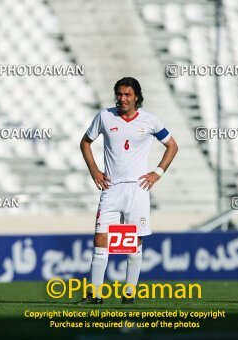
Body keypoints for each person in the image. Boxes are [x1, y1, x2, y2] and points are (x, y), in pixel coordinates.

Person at [78, 77, 178, 304]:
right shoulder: (105, 116)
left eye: (127, 95)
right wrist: (94, 170)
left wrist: (157, 173)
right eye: (119, 94)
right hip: (111, 189)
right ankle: (95, 294)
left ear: (137, 97)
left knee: (133, 242)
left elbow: (172, 145)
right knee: (100, 238)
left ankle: (129, 294)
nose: (122, 99)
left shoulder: (150, 120)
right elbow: (85, 142)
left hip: (137, 188)